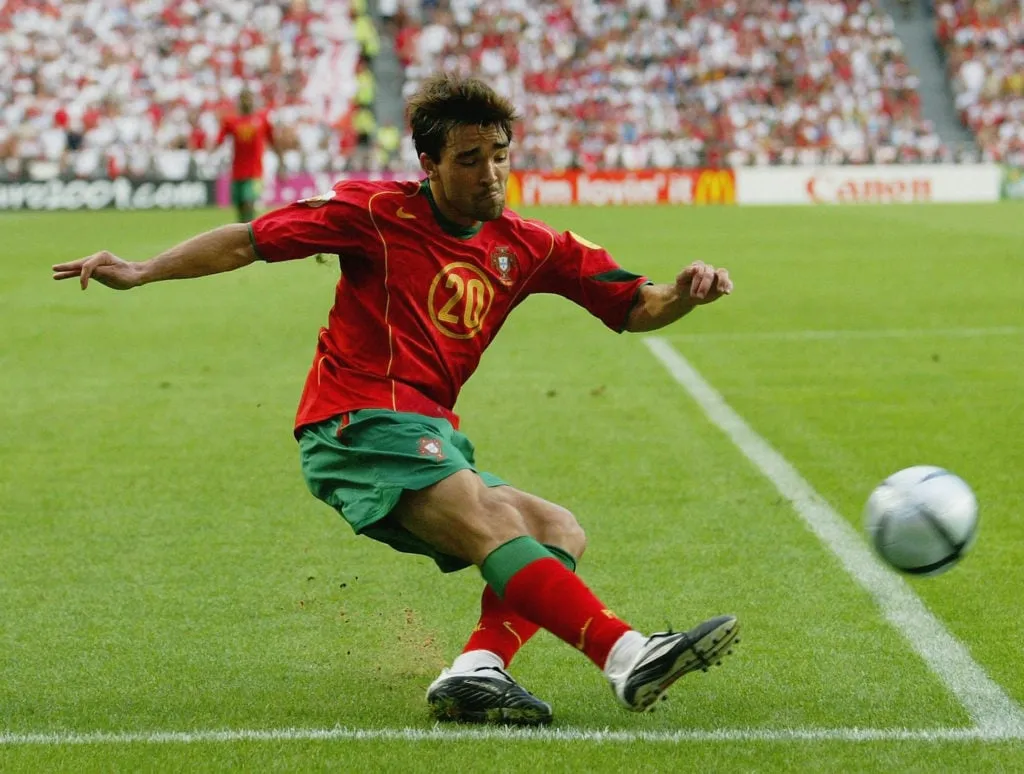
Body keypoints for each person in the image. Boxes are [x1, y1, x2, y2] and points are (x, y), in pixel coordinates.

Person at [52, 73, 739, 727]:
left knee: (558, 531)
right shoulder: (375, 212)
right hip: (353, 422)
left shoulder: (530, 245)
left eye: (499, 155)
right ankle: (625, 654)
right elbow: (247, 242)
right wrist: (142, 271)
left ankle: (477, 669)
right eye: (469, 159)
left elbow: (636, 304)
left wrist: (684, 293)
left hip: (425, 430)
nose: (491, 173)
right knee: (489, 523)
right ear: (429, 163)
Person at [214, 88, 283, 223]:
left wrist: (282, 162)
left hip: (254, 173)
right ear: (239, 102)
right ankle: (243, 233)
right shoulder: (231, 121)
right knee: (240, 208)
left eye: (249, 98)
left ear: (253, 101)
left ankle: (250, 234)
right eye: (243, 99)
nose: (246, 101)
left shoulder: (262, 120)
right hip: (237, 172)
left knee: (248, 203)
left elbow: (273, 141)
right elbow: (219, 140)